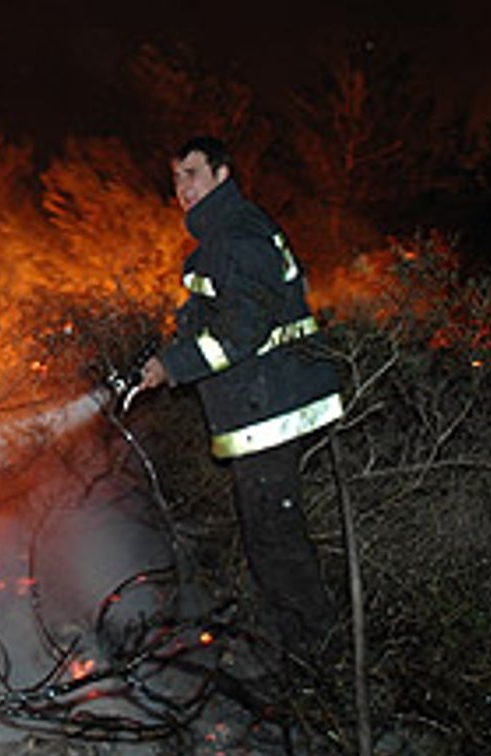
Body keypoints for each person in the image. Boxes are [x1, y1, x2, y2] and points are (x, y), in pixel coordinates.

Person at [137, 136, 343, 662]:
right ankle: (303, 654)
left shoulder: (239, 235)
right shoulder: (223, 237)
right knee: (270, 539)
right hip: (260, 407)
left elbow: (243, 330)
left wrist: (173, 366)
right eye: (176, 178)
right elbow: (213, 320)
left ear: (223, 175)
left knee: (276, 542)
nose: (182, 187)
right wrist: (166, 356)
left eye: (192, 173)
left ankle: (321, 662)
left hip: (271, 409)